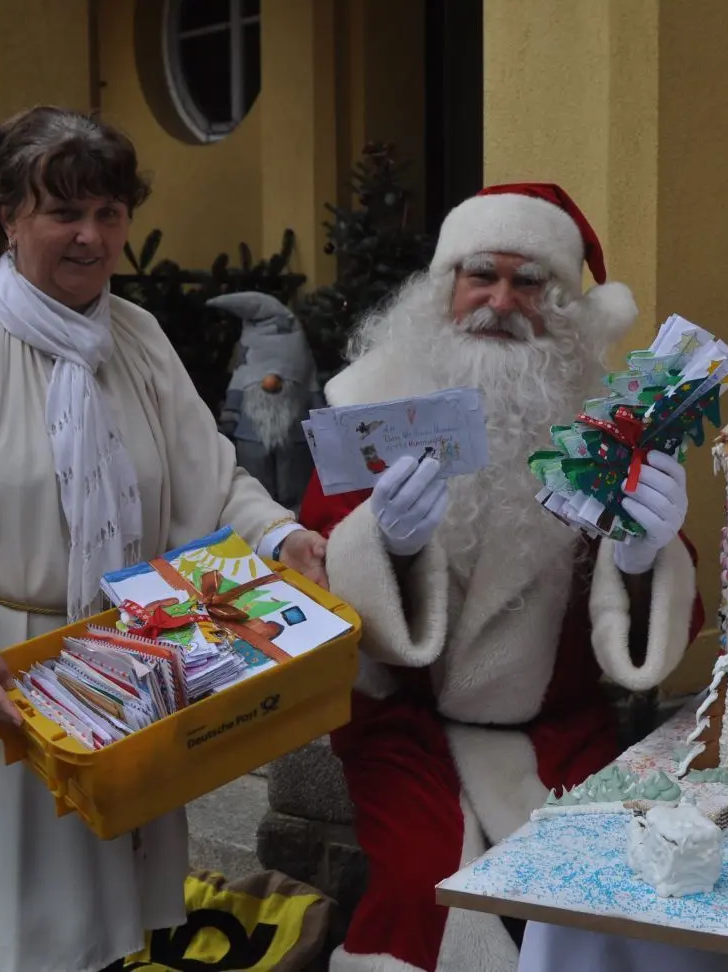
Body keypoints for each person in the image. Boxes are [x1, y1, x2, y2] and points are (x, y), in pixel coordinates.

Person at [0, 106, 328, 972]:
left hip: (117, 674)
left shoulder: (136, 340)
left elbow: (208, 477)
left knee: (100, 934)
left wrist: (283, 538)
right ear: (9, 219)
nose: (90, 236)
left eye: (108, 213)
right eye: (64, 213)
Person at [299, 182, 705, 972]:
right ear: (445, 286)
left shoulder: (607, 424)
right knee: (428, 888)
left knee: (595, 886)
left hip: (558, 729)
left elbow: (666, 619)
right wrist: (381, 547)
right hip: (401, 722)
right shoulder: (369, 406)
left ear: (563, 308)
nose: (501, 300)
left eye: (531, 283)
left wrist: (641, 555)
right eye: (481, 274)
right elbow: (311, 568)